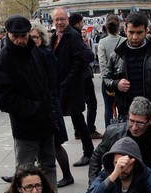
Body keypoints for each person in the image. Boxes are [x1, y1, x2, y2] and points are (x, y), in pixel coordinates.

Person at [0, 15, 58, 191]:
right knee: (24, 172)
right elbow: (3, 98)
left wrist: (48, 108)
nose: (21, 40)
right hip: (25, 127)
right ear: (7, 34)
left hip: (45, 122)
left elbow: (44, 83)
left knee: (49, 166)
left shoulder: (34, 51)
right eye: (16, 36)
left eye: (24, 35)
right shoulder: (3, 59)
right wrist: (33, 109)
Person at [88, 96, 151, 193]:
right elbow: (96, 158)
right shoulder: (113, 132)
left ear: (150, 121)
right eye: (131, 121)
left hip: (147, 181)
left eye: (140, 123)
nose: (134, 127)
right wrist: (93, 187)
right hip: (119, 181)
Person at [102, 12, 151, 129]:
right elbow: (106, 79)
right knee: (126, 146)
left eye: (139, 33)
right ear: (125, 30)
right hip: (126, 115)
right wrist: (116, 84)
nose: (134, 37)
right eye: (131, 32)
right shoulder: (116, 55)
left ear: (146, 31)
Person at [30, 21, 74, 189]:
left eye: (35, 37)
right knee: (38, 145)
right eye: (30, 37)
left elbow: (51, 83)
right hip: (43, 105)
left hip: (50, 106)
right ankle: (24, 174)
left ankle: (67, 175)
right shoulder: (31, 55)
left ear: (41, 37)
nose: (32, 40)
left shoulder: (46, 55)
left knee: (54, 143)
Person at [50, 8, 95, 168]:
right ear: (53, 21)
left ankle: (89, 153)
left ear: (67, 20)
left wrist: (67, 81)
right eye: (57, 20)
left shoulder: (73, 36)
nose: (60, 22)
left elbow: (80, 61)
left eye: (62, 19)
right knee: (75, 120)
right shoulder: (55, 36)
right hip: (60, 85)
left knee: (78, 120)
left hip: (71, 87)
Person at [97, 14, 122, 128]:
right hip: (122, 79)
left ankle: (109, 131)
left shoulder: (102, 42)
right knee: (123, 107)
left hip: (108, 80)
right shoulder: (124, 41)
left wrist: (105, 78)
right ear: (119, 26)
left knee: (108, 107)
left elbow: (102, 62)